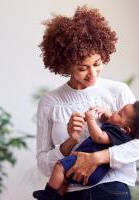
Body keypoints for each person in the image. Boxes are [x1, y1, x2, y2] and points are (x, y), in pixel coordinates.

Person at [36, 5, 139, 200]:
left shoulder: (118, 92)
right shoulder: (49, 102)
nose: (92, 74)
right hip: (68, 194)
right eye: (83, 67)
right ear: (66, 64)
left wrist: (97, 158)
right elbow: (43, 164)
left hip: (111, 189)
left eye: (97, 64)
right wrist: (70, 141)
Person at [33, 102, 139, 200]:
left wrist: (90, 119)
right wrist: (106, 114)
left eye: (119, 114)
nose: (115, 112)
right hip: (93, 175)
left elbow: (98, 137)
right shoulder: (119, 130)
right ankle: (58, 197)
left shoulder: (117, 133)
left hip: (94, 173)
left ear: (125, 129)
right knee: (65, 180)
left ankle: (48, 194)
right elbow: (111, 121)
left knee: (59, 167)